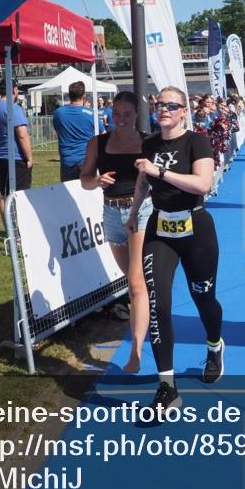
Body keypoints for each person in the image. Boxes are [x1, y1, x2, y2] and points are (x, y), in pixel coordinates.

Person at [128, 86, 223, 412]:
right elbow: (143, 180)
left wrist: (161, 172)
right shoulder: (150, 143)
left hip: (196, 227)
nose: (163, 109)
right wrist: (133, 211)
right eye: (159, 104)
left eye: (171, 105)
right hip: (160, 229)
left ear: (184, 110)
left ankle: (214, 345)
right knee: (158, 304)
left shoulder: (197, 141)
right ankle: (167, 386)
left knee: (203, 298)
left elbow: (202, 184)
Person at [78, 91, 153, 373]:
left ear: (136, 115)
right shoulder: (98, 143)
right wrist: (96, 180)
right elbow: (84, 181)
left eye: (127, 114)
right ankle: (145, 316)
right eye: (116, 114)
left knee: (135, 283)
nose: (120, 120)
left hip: (141, 212)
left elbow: (157, 178)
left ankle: (135, 352)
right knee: (135, 284)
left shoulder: (148, 142)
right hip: (110, 213)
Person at [0, 78, 33, 222]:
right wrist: (29, 157)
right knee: (21, 196)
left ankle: (10, 230)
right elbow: (22, 134)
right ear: (14, 90)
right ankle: (19, 230)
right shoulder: (14, 107)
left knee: (4, 195)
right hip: (17, 159)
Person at [53, 81, 96, 182]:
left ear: (69, 95)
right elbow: (102, 134)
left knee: (69, 193)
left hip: (67, 161)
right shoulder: (90, 113)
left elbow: (57, 130)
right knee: (89, 194)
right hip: (86, 160)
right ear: (84, 95)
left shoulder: (59, 113)